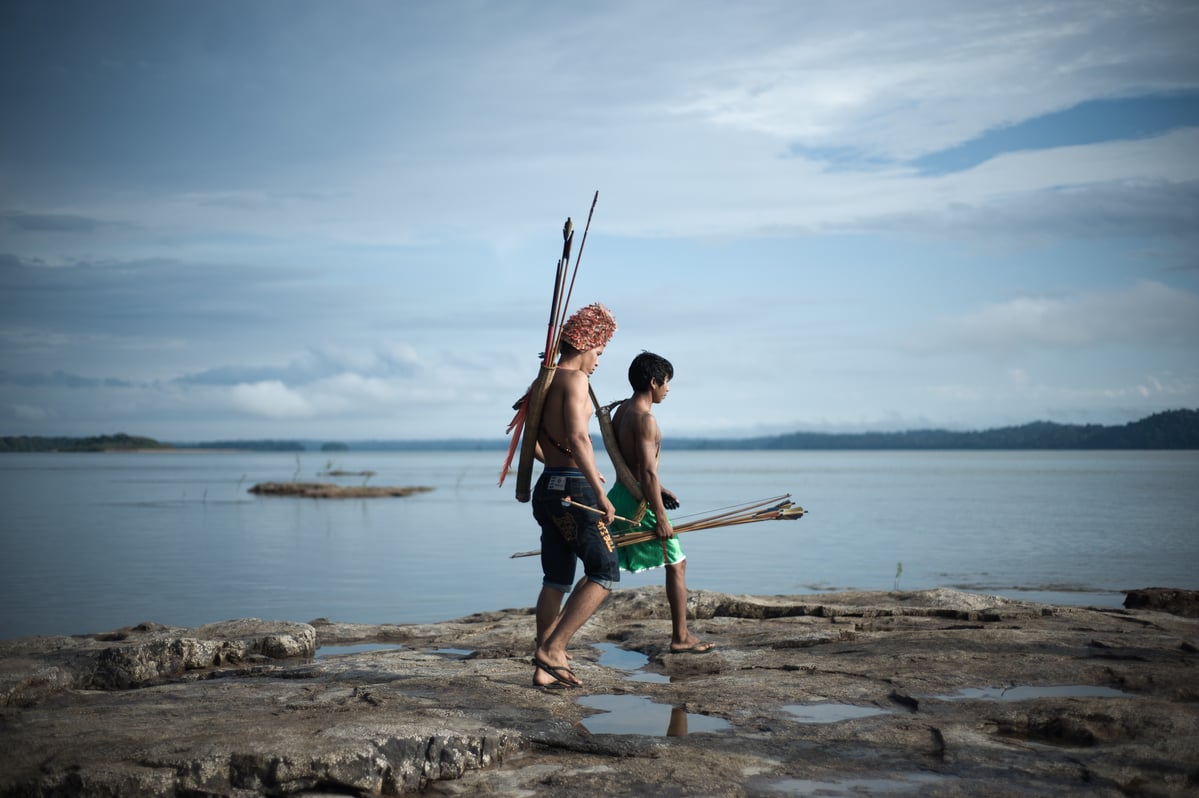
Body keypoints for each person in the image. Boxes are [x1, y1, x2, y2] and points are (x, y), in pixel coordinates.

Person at [530, 302, 619, 689]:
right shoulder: (575, 381)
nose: (598, 362)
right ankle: (554, 649)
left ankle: (545, 665)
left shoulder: (543, 381)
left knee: (556, 578)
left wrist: (562, 461)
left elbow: (530, 442)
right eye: (599, 353)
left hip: (548, 487)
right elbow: (580, 437)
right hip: (574, 489)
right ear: (586, 344)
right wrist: (599, 491)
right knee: (604, 570)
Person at [606, 351, 715, 654]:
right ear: (654, 382)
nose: (668, 389)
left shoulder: (621, 412)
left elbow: (634, 468)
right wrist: (662, 516)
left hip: (623, 494)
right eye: (666, 383)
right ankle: (680, 637)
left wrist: (661, 489)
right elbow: (649, 472)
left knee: (602, 569)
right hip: (640, 504)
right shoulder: (645, 419)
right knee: (677, 563)